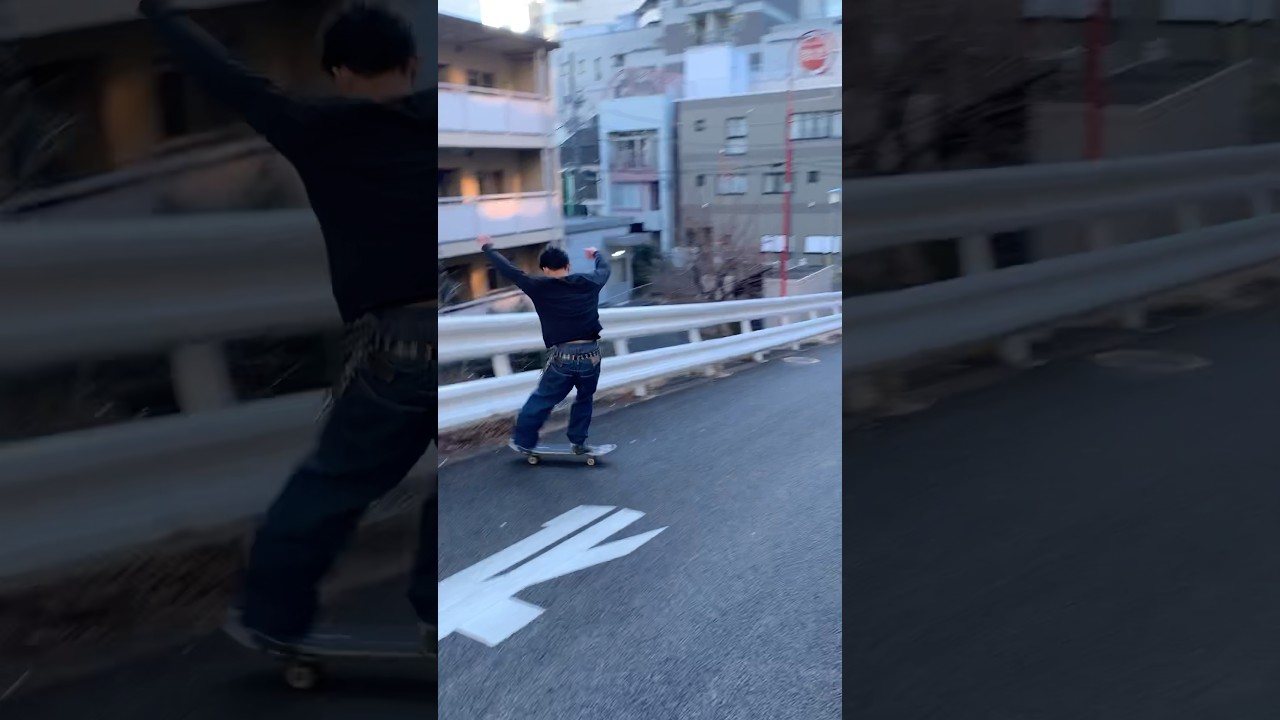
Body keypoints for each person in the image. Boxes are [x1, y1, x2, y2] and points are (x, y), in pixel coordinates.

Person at [138, 1, 434, 657]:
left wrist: (157, 14)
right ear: (411, 64)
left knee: (331, 485)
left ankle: (271, 619)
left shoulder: (317, 126)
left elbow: (227, 77)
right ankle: (437, 611)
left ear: (335, 72)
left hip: (399, 350)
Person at [480, 236, 611, 453]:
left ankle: (523, 440)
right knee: (584, 399)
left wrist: (488, 248)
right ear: (568, 266)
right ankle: (578, 442)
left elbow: (509, 270)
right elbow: (605, 269)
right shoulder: (589, 282)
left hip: (564, 357)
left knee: (543, 399)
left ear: (544, 269)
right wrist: (595, 254)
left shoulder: (538, 286)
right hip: (592, 355)